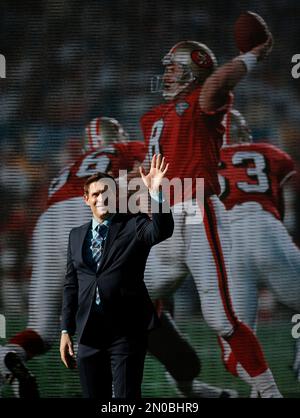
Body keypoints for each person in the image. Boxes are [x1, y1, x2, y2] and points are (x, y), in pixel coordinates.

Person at [141, 28, 282, 396]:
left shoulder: (202, 100)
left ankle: (270, 394)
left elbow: (218, 81)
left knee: (221, 318)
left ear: (193, 71)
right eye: (168, 68)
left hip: (196, 214)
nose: (168, 74)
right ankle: (182, 381)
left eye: (174, 68)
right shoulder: (154, 116)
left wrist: (254, 54)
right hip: (164, 221)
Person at [0, 117, 146, 396]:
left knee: (42, 328)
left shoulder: (69, 168)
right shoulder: (127, 148)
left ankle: (10, 352)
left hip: (49, 221)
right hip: (89, 213)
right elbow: (146, 177)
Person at [60, 154, 174, 399]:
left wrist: (156, 193)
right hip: (89, 334)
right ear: (86, 198)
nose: (102, 197)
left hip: (127, 331)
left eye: (107, 192)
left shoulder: (133, 224)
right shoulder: (76, 235)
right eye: (96, 193)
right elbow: (71, 285)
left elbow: (161, 231)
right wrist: (65, 330)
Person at [218, 109, 300, 395]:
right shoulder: (269, 151)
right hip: (263, 227)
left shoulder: (199, 162)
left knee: (233, 350)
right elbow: (288, 200)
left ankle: (263, 390)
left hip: (226, 246)